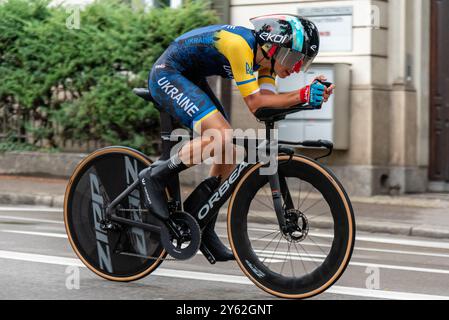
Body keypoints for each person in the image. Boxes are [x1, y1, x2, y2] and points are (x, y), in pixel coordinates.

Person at [139, 14, 335, 261]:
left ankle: (202, 223)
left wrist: (309, 99)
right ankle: (155, 177)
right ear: (272, 46)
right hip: (167, 74)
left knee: (229, 151)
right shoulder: (238, 44)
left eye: (302, 62)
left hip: (190, 78)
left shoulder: (266, 63)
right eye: (293, 58)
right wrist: (303, 94)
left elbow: (268, 106)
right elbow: (255, 103)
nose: (295, 67)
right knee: (221, 136)